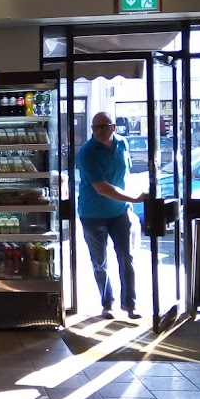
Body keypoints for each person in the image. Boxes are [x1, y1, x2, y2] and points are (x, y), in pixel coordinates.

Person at [77, 112, 148, 320]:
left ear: (113, 127)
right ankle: (107, 303)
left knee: (127, 258)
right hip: (92, 213)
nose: (98, 131)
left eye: (103, 127)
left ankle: (130, 305)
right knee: (100, 262)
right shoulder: (87, 152)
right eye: (95, 127)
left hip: (120, 212)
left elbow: (125, 174)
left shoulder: (123, 144)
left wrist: (129, 202)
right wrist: (134, 199)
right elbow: (102, 188)